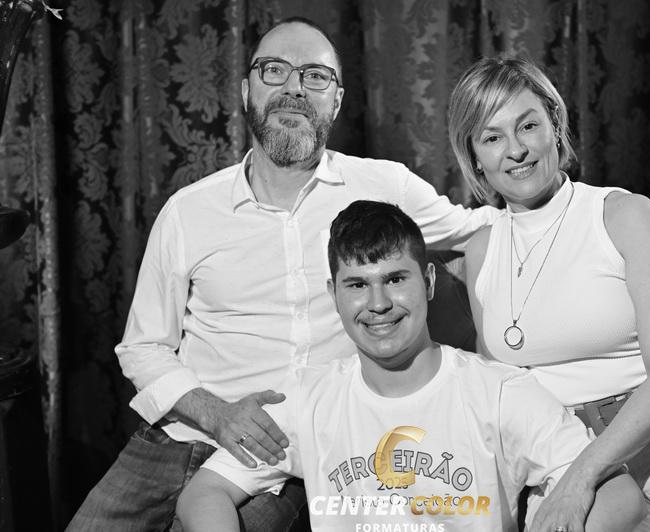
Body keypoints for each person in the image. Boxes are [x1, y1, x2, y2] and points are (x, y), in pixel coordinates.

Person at [67, 18, 498, 531]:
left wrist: (575, 205)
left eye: (315, 76)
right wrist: (216, 414)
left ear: (336, 101)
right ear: (245, 90)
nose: (294, 88)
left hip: (284, 451)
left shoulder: (385, 187)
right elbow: (143, 347)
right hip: (176, 436)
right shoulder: (189, 211)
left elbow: (484, 231)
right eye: (275, 70)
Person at [174, 200, 650, 532]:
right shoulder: (308, 398)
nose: (378, 304)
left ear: (428, 281)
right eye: (357, 285)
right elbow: (205, 493)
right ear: (333, 295)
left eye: (395, 279)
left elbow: (620, 496)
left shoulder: (499, 393)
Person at [448, 56, 650, 532]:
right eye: (492, 137)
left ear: (554, 125)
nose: (516, 150)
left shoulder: (623, 216)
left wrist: (581, 477)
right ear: (474, 155)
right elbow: (500, 392)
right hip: (563, 460)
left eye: (528, 126)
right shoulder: (481, 250)